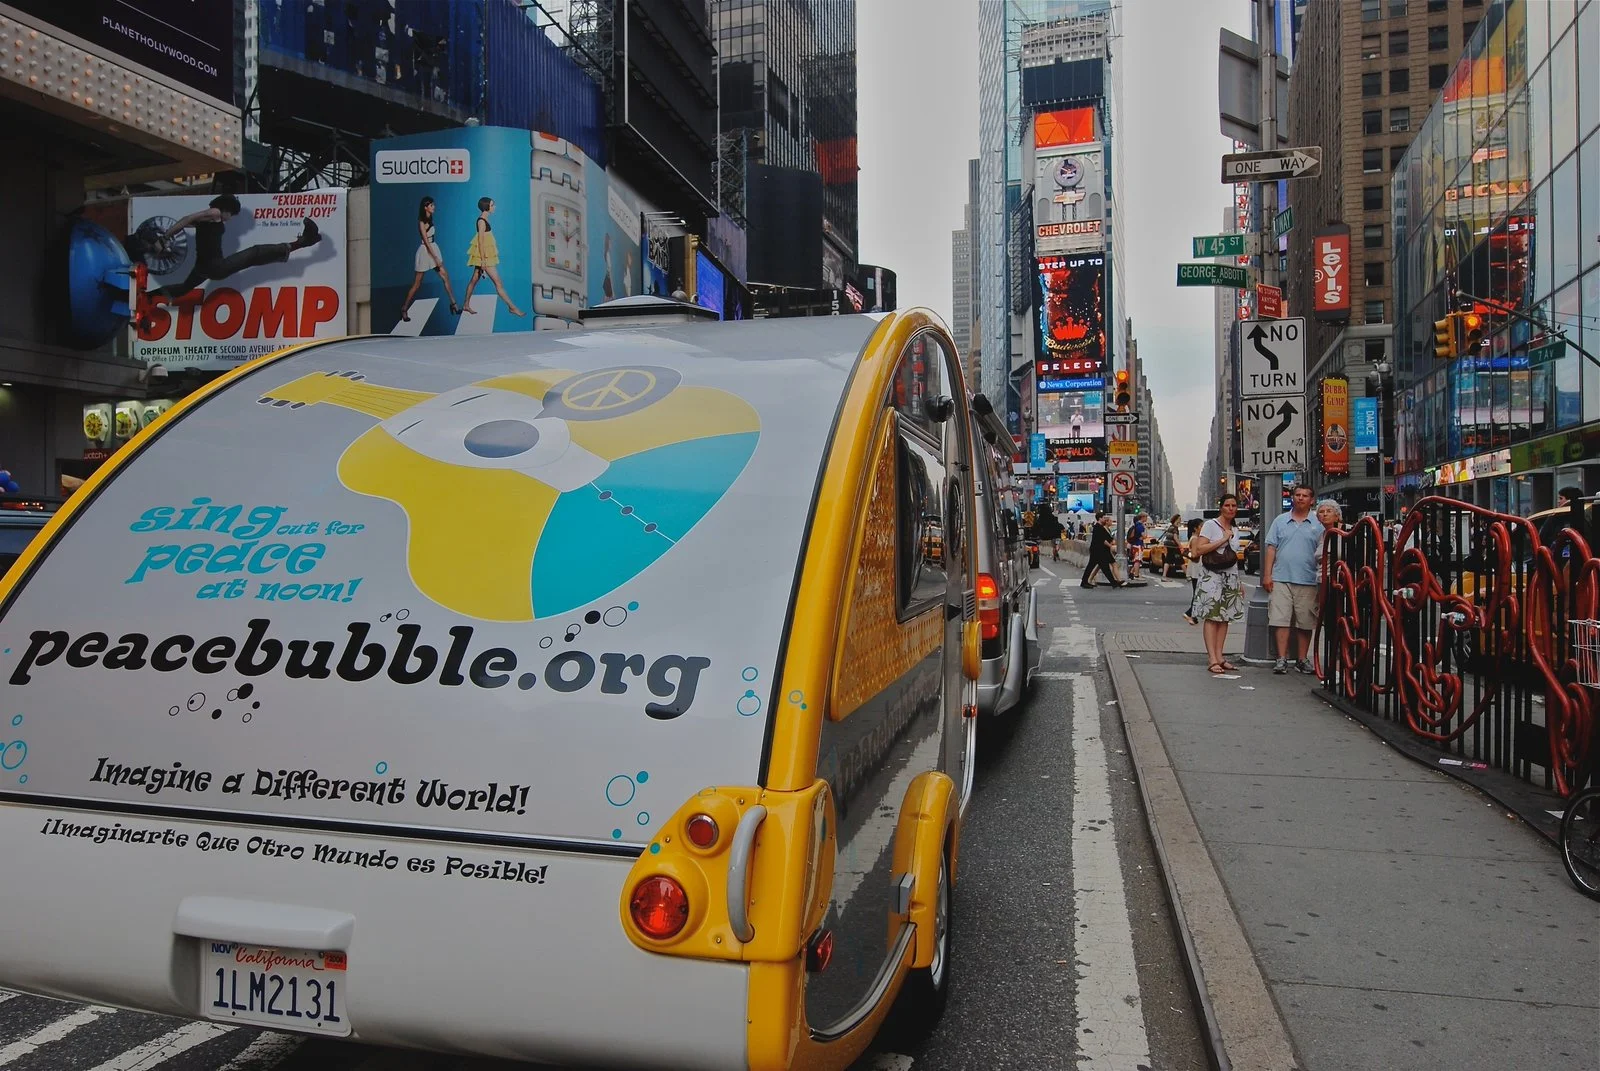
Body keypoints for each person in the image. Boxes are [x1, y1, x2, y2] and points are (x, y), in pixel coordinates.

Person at [153, 194, 322, 298]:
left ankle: (150, 296)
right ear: (227, 209)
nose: (230, 218)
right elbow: (187, 218)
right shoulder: (215, 213)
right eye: (231, 214)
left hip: (202, 268)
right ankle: (303, 242)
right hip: (217, 266)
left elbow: (187, 223)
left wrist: (168, 233)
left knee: (184, 288)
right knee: (255, 253)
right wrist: (165, 237)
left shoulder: (205, 222)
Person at [1262, 485, 1322, 674]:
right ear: (1292, 497)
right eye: (1297, 495)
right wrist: (1267, 574)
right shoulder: (1280, 521)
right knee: (1280, 620)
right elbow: (1271, 548)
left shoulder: (1319, 522)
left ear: (1311, 500)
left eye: (1305, 495)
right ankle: (1281, 659)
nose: (1301, 498)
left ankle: (1302, 659)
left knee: (1305, 622)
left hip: (1308, 579)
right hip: (1281, 579)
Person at [1191, 493, 1246, 674]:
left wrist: (1239, 582)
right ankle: (1212, 658)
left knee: (1225, 618)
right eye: (1227, 505)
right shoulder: (1210, 525)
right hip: (1212, 575)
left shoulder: (1235, 528)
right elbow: (1199, 549)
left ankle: (1220, 657)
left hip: (1230, 576)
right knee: (1212, 616)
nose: (1231, 508)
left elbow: (1233, 557)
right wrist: (1223, 539)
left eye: (1234, 506)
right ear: (1221, 507)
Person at [462, 197, 527, 318]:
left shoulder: (485, 219)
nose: (494, 207)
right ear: (486, 207)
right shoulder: (481, 221)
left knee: (474, 280)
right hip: (485, 258)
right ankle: (513, 308)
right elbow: (480, 242)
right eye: (492, 205)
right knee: (498, 284)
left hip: (485, 256)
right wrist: (483, 261)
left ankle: (466, 304)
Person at [399, 196, 460, 321]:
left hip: (433, 247)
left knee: (445, 276)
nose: (434, 207)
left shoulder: (430, 218)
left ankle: (453, 304)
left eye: (433, 205)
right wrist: (436, 258)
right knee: (417, 284)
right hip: (425, 252)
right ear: (425, 207)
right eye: (431, 205)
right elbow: (426, 242)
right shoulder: (421, 221)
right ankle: (404, 308)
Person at [1081, 511, 1123, 588]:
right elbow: (1103, 540)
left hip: (1099, 550)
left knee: (1099, 567)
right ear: (1100, 518)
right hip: (1097, 551)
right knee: (1102, 567)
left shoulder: (1100, 527)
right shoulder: (1097, 527)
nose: (1104, 519)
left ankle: (1084, 581)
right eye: (1103, 518)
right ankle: (1113, 583)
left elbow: (1108, 538)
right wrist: (1110, 546)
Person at [1182, 517, 1205, 624]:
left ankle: (1193, 616)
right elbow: (1195, 555)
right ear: (1196, 528)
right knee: (1197, 593)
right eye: (1201, 526)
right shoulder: (1195, 539)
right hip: (1196, 568)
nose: (1203, 528)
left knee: (1197, 592)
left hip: (1195, 567)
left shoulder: (1195, 537)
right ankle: (1189, 613)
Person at [1162, 513, 1183, 579]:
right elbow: (1175, 537)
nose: (1180, 520)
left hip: (1168, 545)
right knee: (1181, 561)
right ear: (1176, 519)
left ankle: (1164, 575)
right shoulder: (1175, 528)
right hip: (1173, 546)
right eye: (1179, 519)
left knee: (1168, 560)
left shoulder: (1170, 527)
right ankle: (1188, 576)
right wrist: (1180, 545)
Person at [1127, 511, 1146, 579]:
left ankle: (1132, 573)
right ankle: (1136, 575)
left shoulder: (1136, 525)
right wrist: (1144, 534)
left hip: (1135, 544)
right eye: (1146, 517)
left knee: (1136, 560)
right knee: (1137, 560)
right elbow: (1144, 536)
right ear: (1142, 517)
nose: (1146, 518)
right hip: (1138, 545)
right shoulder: (1140, 526)